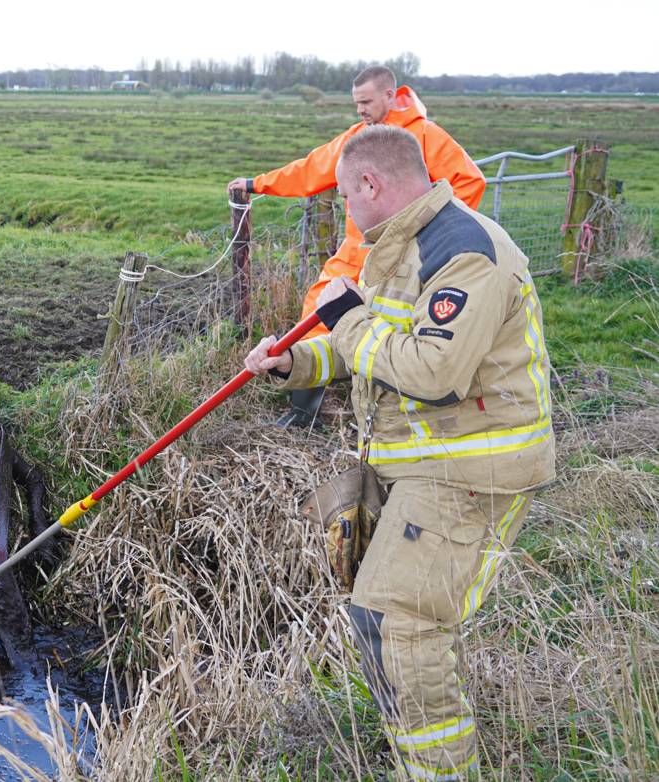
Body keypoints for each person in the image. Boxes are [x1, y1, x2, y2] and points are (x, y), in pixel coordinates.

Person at [244, 125, 556, 781]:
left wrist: (346, 318)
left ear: (370, 184)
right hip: (422, 462)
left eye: (343, 196)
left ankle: (441, 770)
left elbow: (431, 369)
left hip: (468, 469)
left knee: (399, 620)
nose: (343, 212)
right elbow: (374, 346)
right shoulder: (402, 246)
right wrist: (293, 361)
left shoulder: (464, 254)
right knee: (393, 619)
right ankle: (423, 749)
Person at [229, 66, 486, 427]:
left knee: (396, 323)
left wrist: (430, 233)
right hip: (356, 251)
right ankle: (305, 410)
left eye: (366, 102)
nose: (361, 110)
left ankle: (384, 398)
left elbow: (469, 181)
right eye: (356, 103)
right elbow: (310, 169)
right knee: (318, 311)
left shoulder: (425, 137)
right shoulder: (356, 138)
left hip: (406, 253)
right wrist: (258, 183)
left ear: (389, 95)